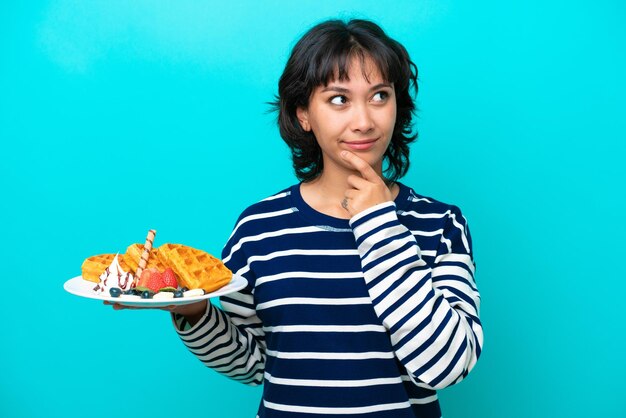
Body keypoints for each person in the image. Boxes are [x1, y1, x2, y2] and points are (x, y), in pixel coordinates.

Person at [112, 18, 483, 418]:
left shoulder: (440, 224)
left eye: (379, 95)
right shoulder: (258, 228)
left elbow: (446, 366)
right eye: (339, 99)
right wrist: (193, 312)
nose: (363, 120)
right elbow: (253, 364)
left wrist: (379, 223)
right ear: (304, 113)